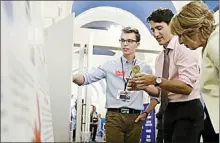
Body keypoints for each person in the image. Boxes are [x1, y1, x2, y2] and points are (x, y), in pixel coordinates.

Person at [128, 8, 204, 143]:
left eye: (159, 28)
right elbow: (160, 91)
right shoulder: (160, 58)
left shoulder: (184, 46)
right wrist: (143, 85)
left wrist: (155, 80)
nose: (155, 34)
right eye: (152, 30)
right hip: (168, 110)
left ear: (172, 26)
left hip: (187, 108)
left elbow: (186, 88)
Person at [72, 26, 156, 143]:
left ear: (137, 44)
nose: (125, 44)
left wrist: (146, 112)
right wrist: (73, 77)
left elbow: (156, 95)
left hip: (135, 117)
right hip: (114, 116)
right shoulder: (110, 65)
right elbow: (87, 78)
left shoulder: (145, 67)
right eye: (122, 40)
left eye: (130, 41)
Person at [169, 1, 219, 142]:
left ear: (193, 30)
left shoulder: (215, 45)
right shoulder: (209, 45)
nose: (179, 42)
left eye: (180, 35)